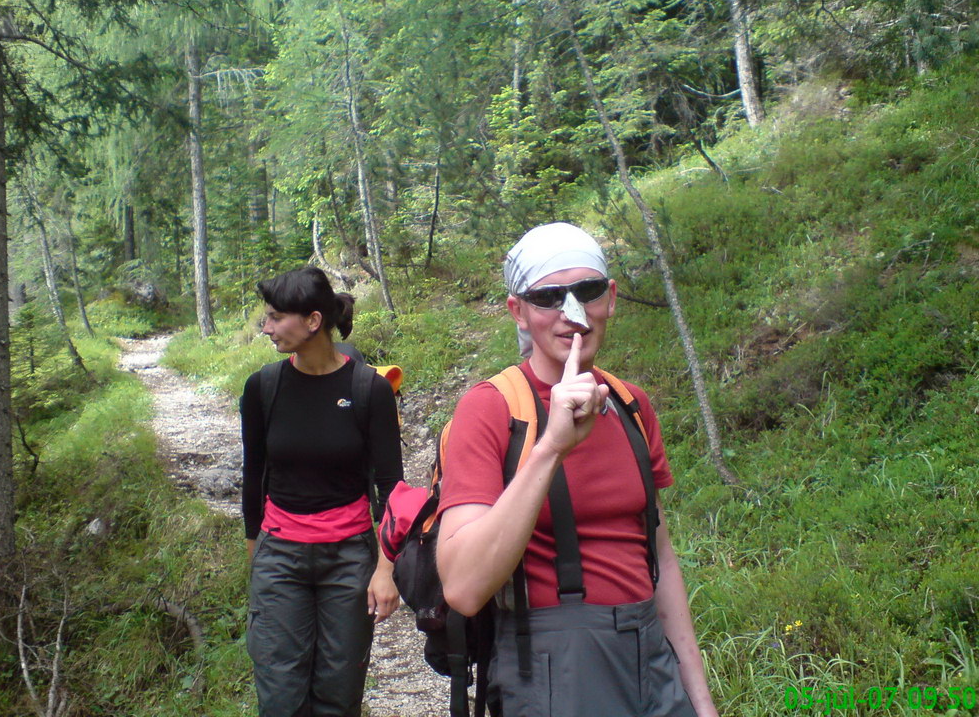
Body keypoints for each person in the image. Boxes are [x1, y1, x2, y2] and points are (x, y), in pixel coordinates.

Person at [436, 223, 719, 717]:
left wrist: (698, 699)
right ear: (518, 312)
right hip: (554, 667)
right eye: (548, 297)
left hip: (650, 654)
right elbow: (462, 587)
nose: (572, 314)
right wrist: (551, 448)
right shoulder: (491, 409)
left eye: (586, 291)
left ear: (610, 298)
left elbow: (658, 554)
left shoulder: (631, 405)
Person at [240, 266, 403, 717]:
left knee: (339, 693)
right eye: (266, 317)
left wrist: (385, 569)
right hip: (280, 559)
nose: (267, 327)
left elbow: (391, 487)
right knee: (280, 695)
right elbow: (254, 476)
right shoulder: (262, 388)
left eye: (276, 317)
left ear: (313, 321)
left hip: (349, 558)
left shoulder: (368, 389)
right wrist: (257, 554)